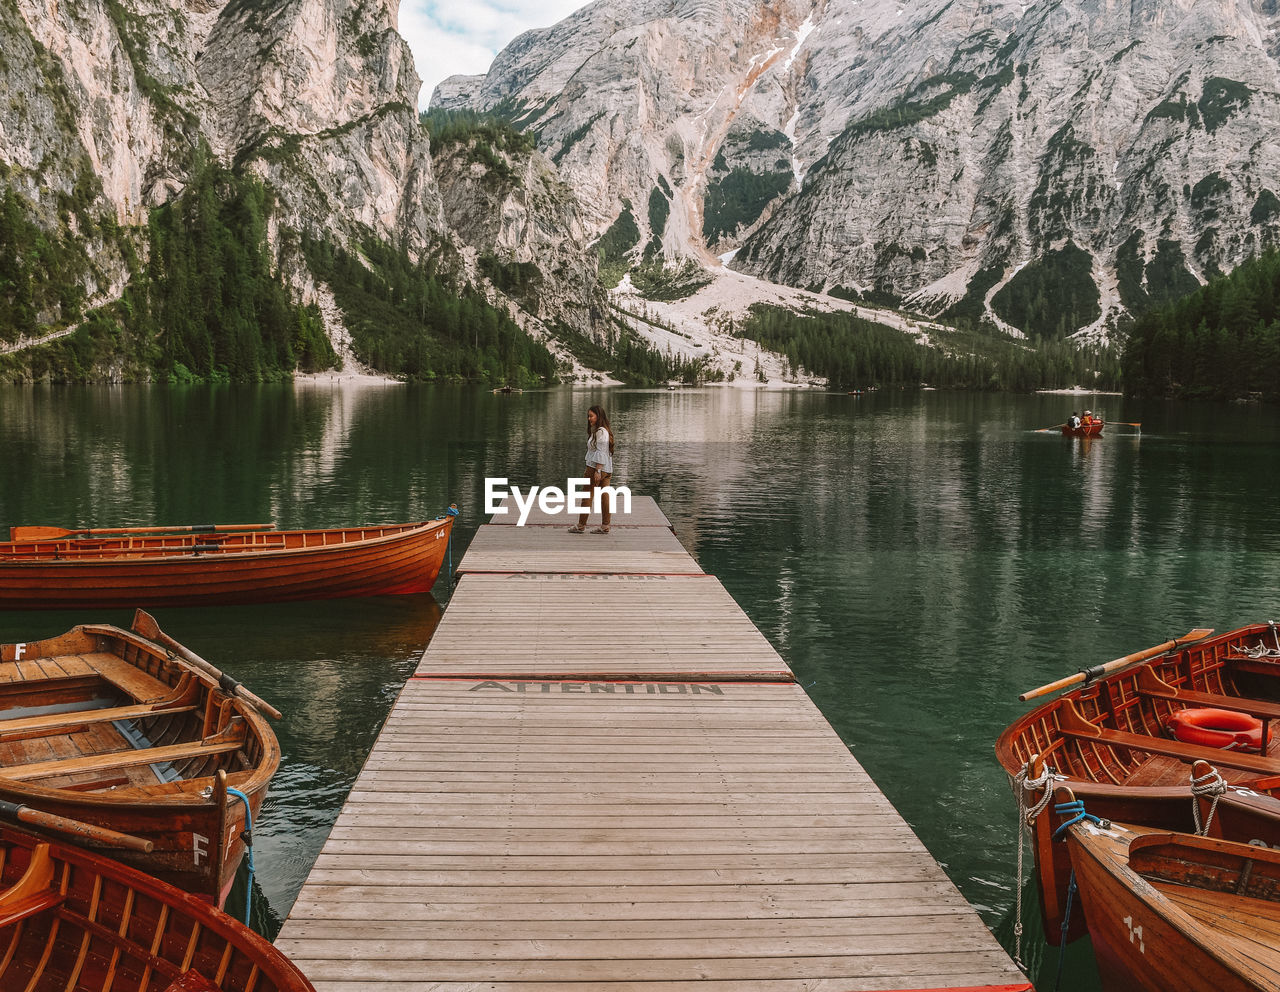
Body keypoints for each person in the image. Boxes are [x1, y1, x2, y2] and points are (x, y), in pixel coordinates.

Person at [568, 404, 614, 534]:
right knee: (605, 497)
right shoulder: (605, 430)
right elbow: (606, 452)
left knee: (587, 496)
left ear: (598, 416)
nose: (589, 418)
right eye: (588, 416)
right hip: (607, 469)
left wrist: (597, 470)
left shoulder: (600, 432)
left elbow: (600, 451)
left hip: (595, 468)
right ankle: (605, 526)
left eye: (591, 416)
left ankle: (581, 525)